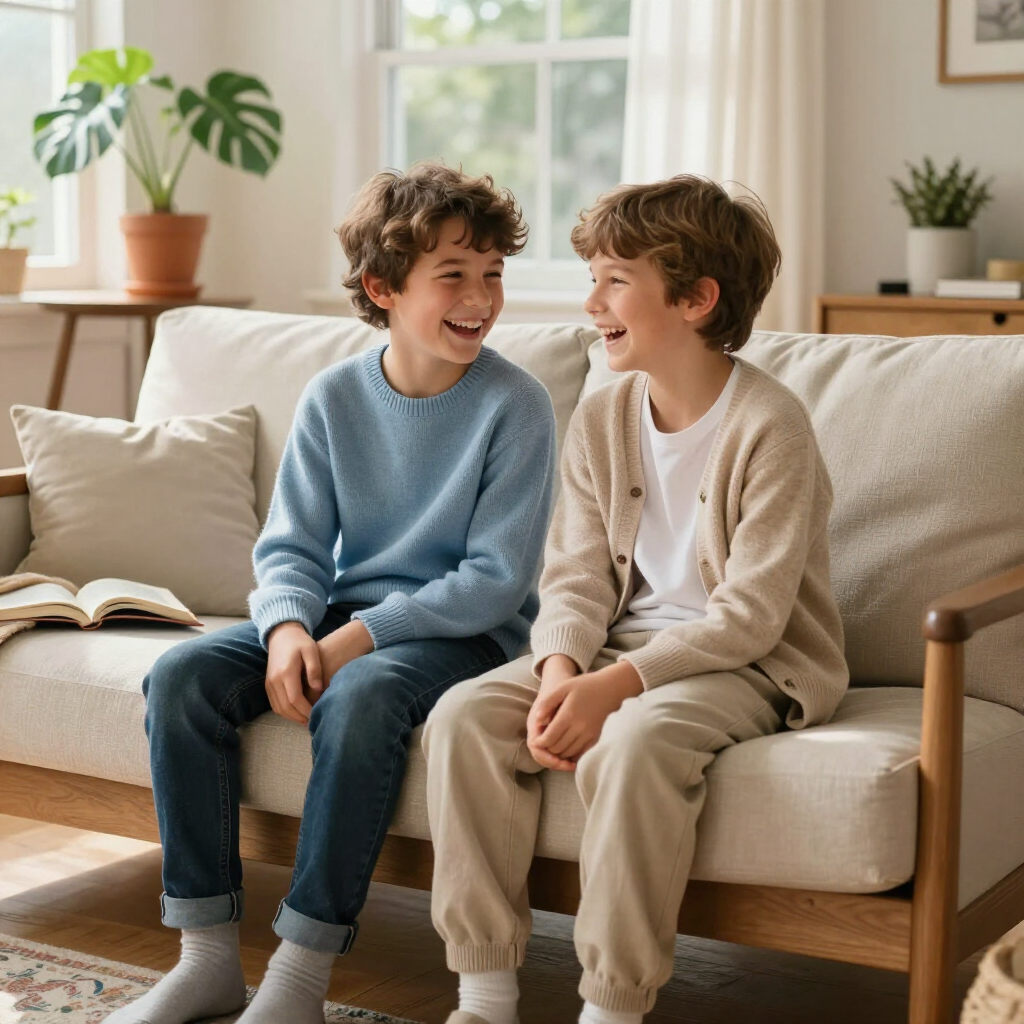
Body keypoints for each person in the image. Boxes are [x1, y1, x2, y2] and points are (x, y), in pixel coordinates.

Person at [107, 162, 557, 1024]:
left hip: (467, 631)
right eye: (453, 274)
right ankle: (205, 959)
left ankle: (300, 978)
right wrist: (286, 631)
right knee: (182, 676)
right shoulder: (334, 396)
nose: (481, 297)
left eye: (493, 272)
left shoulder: (517, 404)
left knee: (362, 695)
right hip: (344, 614)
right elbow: (293, 548)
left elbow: (495, 580)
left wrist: (353, 640)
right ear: (383, 288)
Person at [423, 174, 849, 1024]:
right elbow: (576, 575)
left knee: (633, 742)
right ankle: (484, 995)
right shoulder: (602, 415)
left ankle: (612, 1007)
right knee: (464, 717)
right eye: (592, 279)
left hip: (750, 664)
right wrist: (560, 671)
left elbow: (750, 619)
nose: (592, 304)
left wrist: (614, 688)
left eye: (615, 281)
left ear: (695, 299)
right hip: (616, 647)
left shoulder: (772, 426)